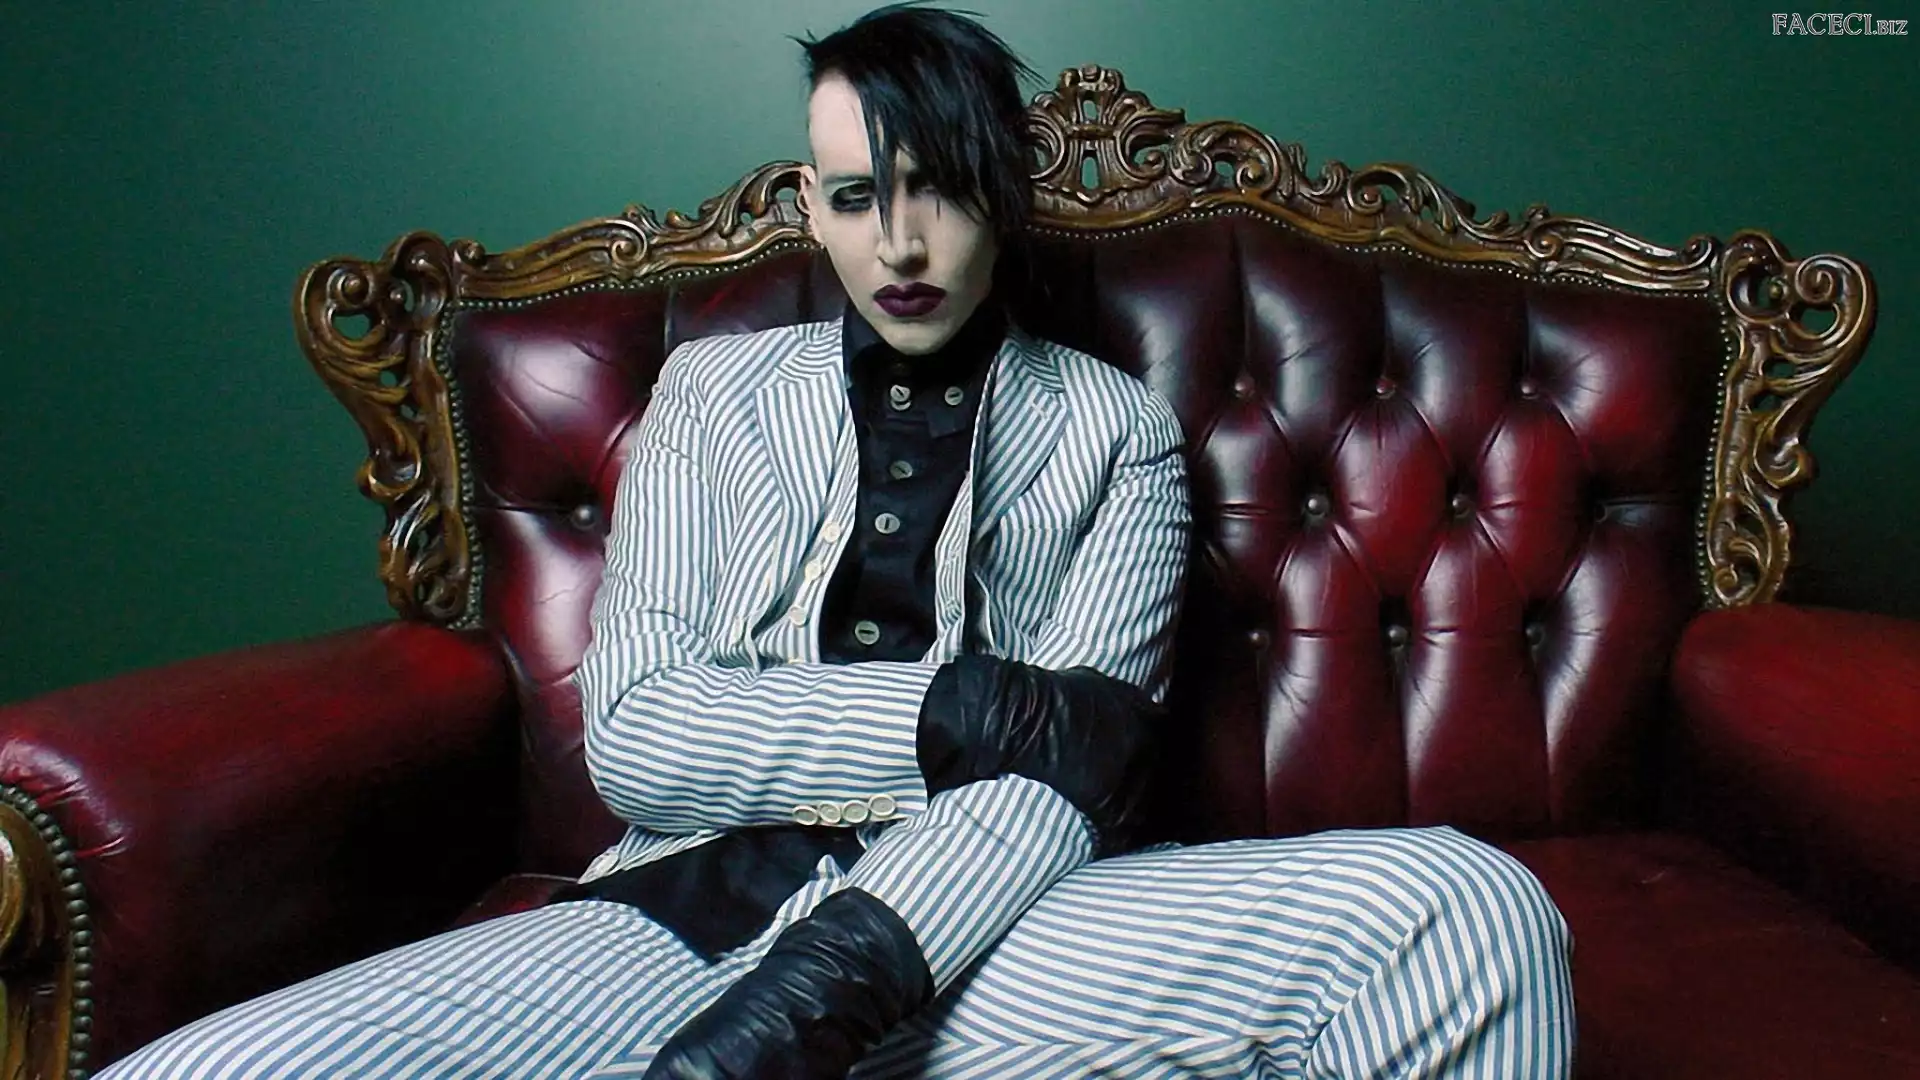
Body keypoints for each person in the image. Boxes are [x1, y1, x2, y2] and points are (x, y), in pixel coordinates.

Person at [100, 5, 1573, 1078]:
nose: (901, 245)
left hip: (1002, 928)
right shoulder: (711, 397)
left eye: (941, 193)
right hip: (679, 907)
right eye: (861, 198)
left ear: (1003, 195)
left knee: (1466, 911)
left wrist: (812, 1000)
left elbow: (1073, 775)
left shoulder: (1112, 427)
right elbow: (641, 741)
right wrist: (953, 707)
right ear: (815, 206)